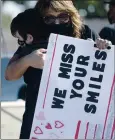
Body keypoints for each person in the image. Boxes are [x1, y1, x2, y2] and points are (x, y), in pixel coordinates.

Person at [5, 0, 112, 139]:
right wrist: (28, 60)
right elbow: (9, 75)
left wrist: (103, 48)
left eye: (62, 17)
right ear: (41, 19)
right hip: (37, 124)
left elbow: (105, 75)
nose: (56, 23)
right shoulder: (34, 38)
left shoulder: (84, 33)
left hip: (75, 124)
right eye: (49, 18)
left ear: (71, 15)